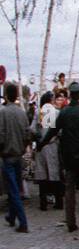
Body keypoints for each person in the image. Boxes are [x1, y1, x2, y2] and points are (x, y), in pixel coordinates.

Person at [53, 82, 79, 232]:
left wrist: (41, 143)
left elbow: (53, 131)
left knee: (70, 190)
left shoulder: (64, 112)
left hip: (68, 156)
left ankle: (70, 222)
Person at [1, 81, 32, 233]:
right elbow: (28, 134)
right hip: (19, 154)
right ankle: (12, 216)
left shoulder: (3, 112)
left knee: (13, 191)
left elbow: (0, 136)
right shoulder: (22, 112)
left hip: (7, 155)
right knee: (16, 187)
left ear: (6, 96)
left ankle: (23, 222)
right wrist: (22, 147)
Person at [32, 91, 63, 211]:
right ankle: (58, 201)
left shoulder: (38, 112)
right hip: (53, 146)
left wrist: (39, 139)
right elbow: (60, 132)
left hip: (41, 147)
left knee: (42, 174)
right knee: (54, 173)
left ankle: (43, 203)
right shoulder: (56, 112)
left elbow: (32, 129)